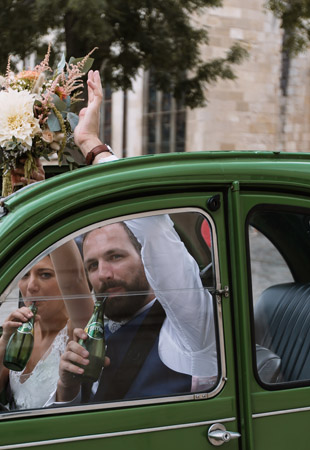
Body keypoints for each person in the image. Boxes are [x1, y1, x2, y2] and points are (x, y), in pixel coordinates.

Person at [54, 70, 217, 403]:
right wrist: (67, 388)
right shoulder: (93, 331)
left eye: (116, 256)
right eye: (93, 265)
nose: (104, 274)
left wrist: (90, 145)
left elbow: (153, 227)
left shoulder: (190, 330)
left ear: (146, 257)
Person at [0, 245, 93, 410]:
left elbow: (74, 280)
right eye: (24, 275)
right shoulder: (20, 331)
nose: (30, 286)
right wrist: (4, 342)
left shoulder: (79, 329)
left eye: (45, 275)